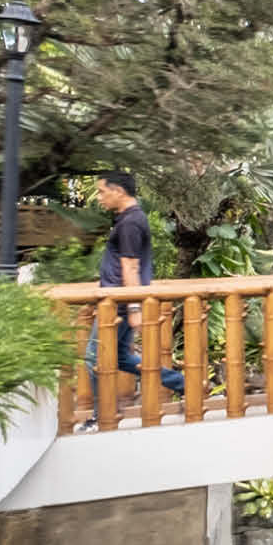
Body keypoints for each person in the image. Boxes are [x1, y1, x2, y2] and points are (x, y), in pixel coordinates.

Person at [84, 170, 183, 421]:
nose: (99, 198)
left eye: (102, 192)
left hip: (118, 305)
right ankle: (183, 384)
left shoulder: (129, 223)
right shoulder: (129, 219)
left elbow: (131, 267)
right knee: (122, 358)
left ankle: (101, 415)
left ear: (119, 191)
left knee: (94, 358)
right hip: (118, 301)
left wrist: (134, 309)